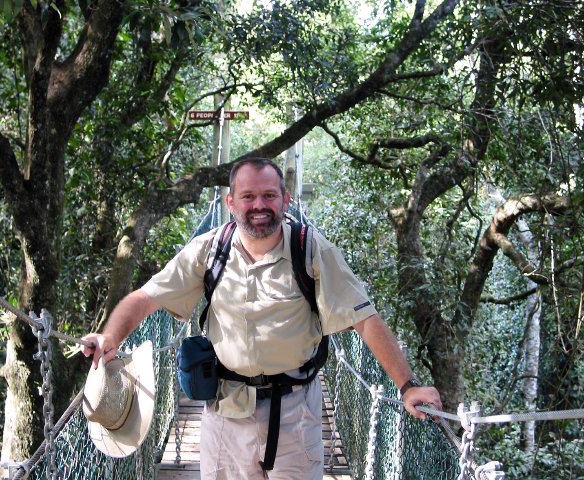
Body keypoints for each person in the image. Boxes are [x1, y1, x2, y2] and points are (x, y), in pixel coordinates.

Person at [82, 157, 443, 480]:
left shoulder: (311, 248)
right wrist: (110, 336)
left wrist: (408, 385)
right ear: (230, 203)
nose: (259, 205)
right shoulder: (210, 249)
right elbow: (145, 298)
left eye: (269, 196)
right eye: (248, 196)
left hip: (295, 414)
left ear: (286, 201)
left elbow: (363, 318)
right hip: (226, 414)